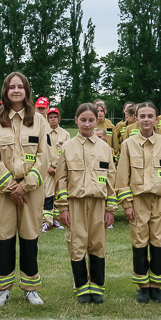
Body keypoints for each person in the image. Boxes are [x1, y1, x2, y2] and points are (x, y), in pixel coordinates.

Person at [0, 72, 50, 306]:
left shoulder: (39, 120)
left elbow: (45, 156)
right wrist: (11, 186)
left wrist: (25, 186)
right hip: (4, 191)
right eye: (11, 87)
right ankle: (2, 289)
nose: (16, 91)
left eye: (20, 87)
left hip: (30, 190)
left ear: (26, 91)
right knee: (5, 237)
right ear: (5, 91)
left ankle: (30, 288)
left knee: (30, 236)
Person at [115, 102, 161, 303]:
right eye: (142, 116)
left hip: (160, 201)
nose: (146, 120)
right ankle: (143, 286)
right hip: (138, 202)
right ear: (135, 118)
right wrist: (126, 204)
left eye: (150, 116)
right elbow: (122, 178)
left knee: (159, 243)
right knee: (140, 242)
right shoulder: (128, 144)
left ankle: (157, 286)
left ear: (156, 119)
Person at [55, 103, 118, 304]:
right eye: (83, 120)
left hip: (99, 203)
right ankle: (81, 285)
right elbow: (61, 179)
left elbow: (111, 180)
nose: (87, 124)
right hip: (75, 203)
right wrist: (63, 207)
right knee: (77, 242)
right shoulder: (67, 147)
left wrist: (111, 209)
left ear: (96, 121)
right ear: (76, 121)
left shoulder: (105, 148)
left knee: (97, 244)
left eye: (91, 120)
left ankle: (97, 287)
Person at [43, 107, 70, 232]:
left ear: (59, 118)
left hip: (60, 169)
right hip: (47, 169)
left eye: (55, 117)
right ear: (47, 119)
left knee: (59, 194)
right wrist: (47, 166)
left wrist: (60, 168)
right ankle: (45, 221)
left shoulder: (65, 134)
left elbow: (67, 153)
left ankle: (55, 219)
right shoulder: (43, 133)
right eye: (50, 117)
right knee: (48, 194)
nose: (53, 119)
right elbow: (42, 151)